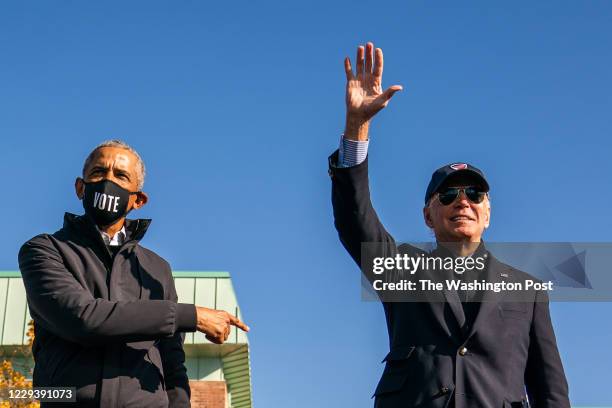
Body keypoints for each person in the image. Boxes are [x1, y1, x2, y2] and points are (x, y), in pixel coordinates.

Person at [328, 42, 570, 407]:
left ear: (487, 213)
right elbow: (354, 220)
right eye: (447, 195)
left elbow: (549, 390)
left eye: (474, 194)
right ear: (428, 215)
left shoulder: (528, 290)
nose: (462, 201)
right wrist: (356, 128)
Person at [18, 140, 249, 407]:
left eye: (121, 176)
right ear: (80, 187)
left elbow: (172, 363)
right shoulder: (44, 249)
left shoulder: (157, 269)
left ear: (138, 200)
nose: (107, 181)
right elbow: (83, 318)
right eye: (98, 172)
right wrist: (191, 315)